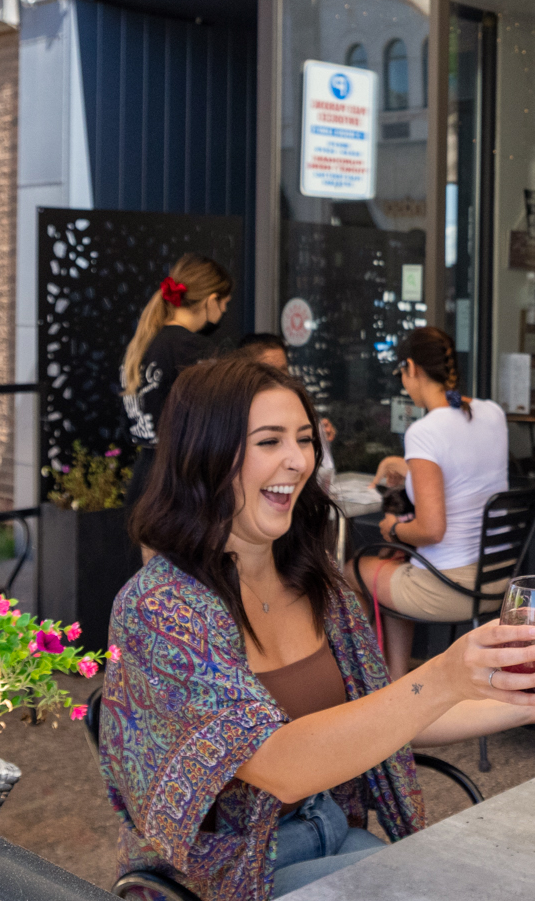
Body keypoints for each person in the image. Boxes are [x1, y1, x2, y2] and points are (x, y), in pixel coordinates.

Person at [94, 354, 535, 901]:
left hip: (334, 839)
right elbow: (277, 764)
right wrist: (442, 674)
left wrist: (520, 699)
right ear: (207, 454)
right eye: (269, 441)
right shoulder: (161, 609)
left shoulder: (313, 575)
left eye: (304, 439)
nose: (297, 461)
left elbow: (382, 722)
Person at [357, 327, 509, 672]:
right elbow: (467, 478)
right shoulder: (492, 414)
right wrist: (411, 475)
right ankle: (395, 683)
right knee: (398, 564)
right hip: (499, 580)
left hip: (450, 587)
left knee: (353, 570)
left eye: (401, 374)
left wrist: (393, 528)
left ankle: (376, 680)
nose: (403, 383)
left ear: (411, 367)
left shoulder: (425, 431)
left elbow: (431, 529)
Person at [120, 254, 233, 465]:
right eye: (225, 302)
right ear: (211, 301)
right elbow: (216, 421)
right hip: (178, 477)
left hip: (144, 474)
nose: (225, 310)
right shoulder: (193, 348)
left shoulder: (142, 344)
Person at [235, 333, 335, 489]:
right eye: (269, 442)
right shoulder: (234, 415)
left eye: (303, 439)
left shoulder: (295, 405)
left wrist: (318, 436)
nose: (278, 379)